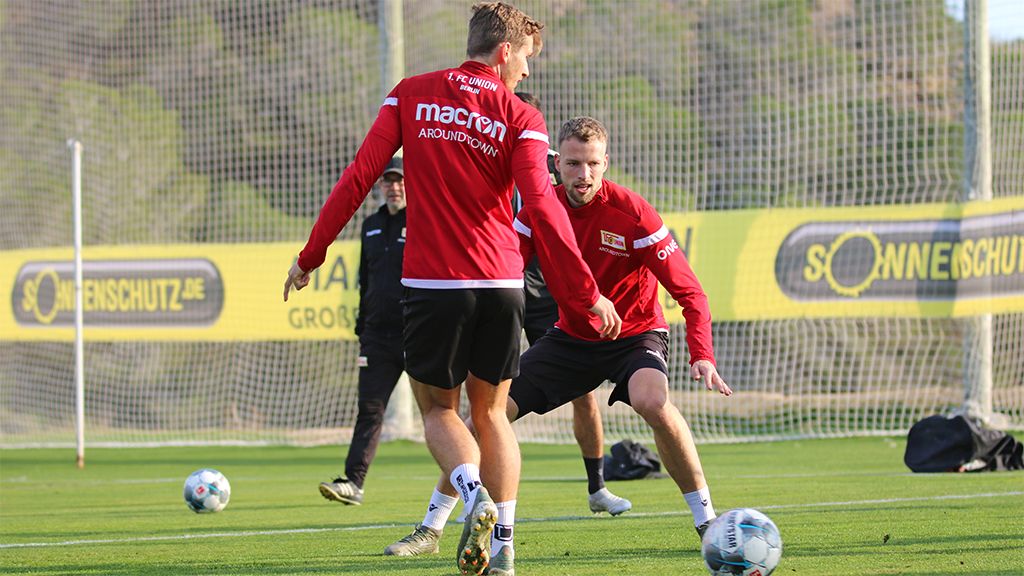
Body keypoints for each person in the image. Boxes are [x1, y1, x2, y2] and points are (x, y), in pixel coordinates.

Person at [283, 4, 621, 576]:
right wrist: (588, 292)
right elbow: (543, 208)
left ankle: (473, 496)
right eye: (526, 59)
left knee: (440, 411)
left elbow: (359, 175)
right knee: (491, 416)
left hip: (434, 283)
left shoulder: (410, 94)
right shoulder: (522, 115)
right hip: (502, 284)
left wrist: (310, 255)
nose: (527, 72)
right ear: (504, 52)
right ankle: (505, 549)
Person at [386, 117, 732, 572]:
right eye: (573, 164)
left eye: (592, 164)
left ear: (605, 163)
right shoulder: (538, 211)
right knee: (483, 419)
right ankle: (432, 528)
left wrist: (703, 355)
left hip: (634, 336)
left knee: (652, 400)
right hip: (570, 339)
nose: (583, 174)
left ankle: (706, 521)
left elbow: (691, 292)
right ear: (557, 164)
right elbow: (505, 267)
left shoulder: (634, 213)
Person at [512, 92, 631, 517]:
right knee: (490, 392)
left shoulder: (553, 166)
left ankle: (597, 487)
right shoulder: (481, 161)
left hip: (549, 292)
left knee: (583, 392)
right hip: (502, 288)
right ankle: (476, 492)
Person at [318, 157, 407, 506]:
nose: (394, 187)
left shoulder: (423, 219)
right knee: (369, 410)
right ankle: (353, 483)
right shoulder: (370, 225)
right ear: (380, 186)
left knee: (441, 413)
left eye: (399, 181)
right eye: (388, 181)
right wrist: (363, 326)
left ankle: (467, 484)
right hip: (377, 337)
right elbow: (365, 280)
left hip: (417, 334)